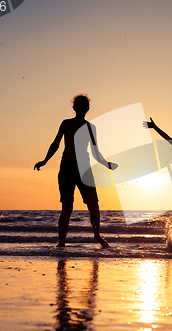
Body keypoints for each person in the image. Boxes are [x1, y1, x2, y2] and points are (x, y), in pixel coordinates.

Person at [34, 95, 118, 248]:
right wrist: (45, 161)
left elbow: (95, 151)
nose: (81, 107)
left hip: (84, 168)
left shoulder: (91, 127)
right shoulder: (66, 123)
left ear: (88, 108)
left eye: (84, 105)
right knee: (67, 207)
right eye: (78, 104)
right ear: (74, 107)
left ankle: (97, 236)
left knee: (94, 205)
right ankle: (61, 241)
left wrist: (107, 164)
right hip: (67, 167)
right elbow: (56, 144)